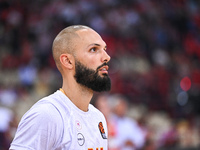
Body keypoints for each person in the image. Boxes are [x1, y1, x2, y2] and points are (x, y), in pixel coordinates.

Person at [9, 25, 111, 150]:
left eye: (104, 49)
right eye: (94, 49)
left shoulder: (98, 117)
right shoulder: (47, 114)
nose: (106, 57)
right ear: (68, 61)